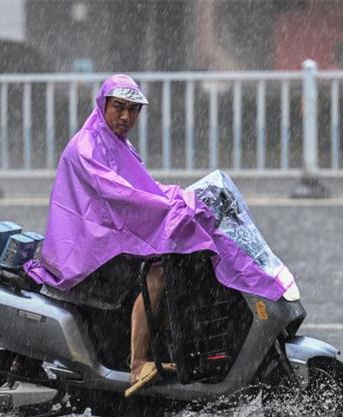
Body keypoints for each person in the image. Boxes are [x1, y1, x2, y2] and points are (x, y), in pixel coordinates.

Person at [24, 74, 288, 396]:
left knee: (181, 263)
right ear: (103, 104)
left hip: (106, 240)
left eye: (133, 110)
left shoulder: (117, 144)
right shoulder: (87, 147)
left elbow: (143, 187)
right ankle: (138, 362)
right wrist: (170, 207)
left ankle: (165, 347)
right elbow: (123, 196)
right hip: (86, 252)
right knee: (159, 271)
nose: (125, 117)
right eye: (119, 107)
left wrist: (183, 197)